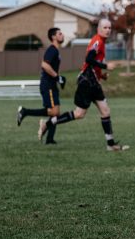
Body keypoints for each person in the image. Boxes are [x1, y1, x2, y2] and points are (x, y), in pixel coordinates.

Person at [36, 19, 128, 151]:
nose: (108, 30)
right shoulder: (97, 41)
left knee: (105, 111)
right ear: (99, 29)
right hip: (86, 82)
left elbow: (93, 63)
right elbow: (88, 59)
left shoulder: (101, 42)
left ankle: (110, 144)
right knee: (79, 114)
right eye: (105, 27)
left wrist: (101, 74)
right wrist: (106, 66)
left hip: (94, 82)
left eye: (109, 28)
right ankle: (48, 123)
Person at [16, 28, 66, 144]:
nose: (62, 35)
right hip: (48, 85)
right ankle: (25, 111)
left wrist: (59, 78)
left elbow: (51, 68)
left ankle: (49, 139)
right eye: (59, 33)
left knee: (56, 112)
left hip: (51, 84)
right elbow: (44, 65)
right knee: (54, 112)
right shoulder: (52, 50)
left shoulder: (56, 51)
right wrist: (57, 77)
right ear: (53, 37)